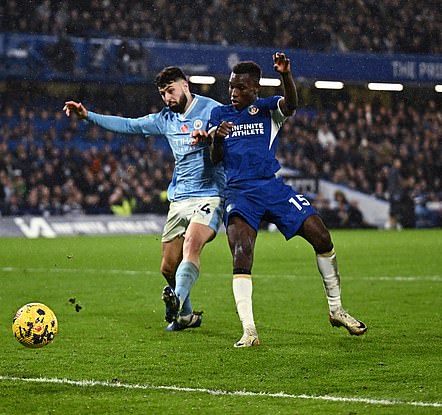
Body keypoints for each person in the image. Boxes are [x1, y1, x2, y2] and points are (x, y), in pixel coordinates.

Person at [191, 53, 366, 347]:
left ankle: (336, 310)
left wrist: (285, 75)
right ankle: (249, 331)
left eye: (241, 88)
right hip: (239, 192)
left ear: (256, 89)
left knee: (321, 237)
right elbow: (216, 158)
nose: (234, 92)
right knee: (241, 254)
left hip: (272, 188)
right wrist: (217, 138)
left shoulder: (267, 108)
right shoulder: (219, 115)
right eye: (232, 87)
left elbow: (292, 105)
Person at [63, 67, 225, 331]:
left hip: (210, 194)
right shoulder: (165, 119)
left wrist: (213, 139)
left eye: (170, 91)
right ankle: (185, 315)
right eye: (162, 94)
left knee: (192, 244)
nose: (167, 98)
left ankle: (177, 298)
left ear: (185, 85)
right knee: (167, 267)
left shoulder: (213, 110)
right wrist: (87, 116)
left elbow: (230, 138)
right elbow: (129, 125)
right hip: (180, 198)